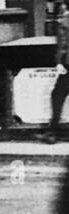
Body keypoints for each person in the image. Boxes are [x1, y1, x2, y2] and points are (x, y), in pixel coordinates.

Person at [46, 10, 69, 143]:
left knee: (57, 95)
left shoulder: (66, 20)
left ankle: (52, 132)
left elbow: (63, 44)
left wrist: (59, 62)